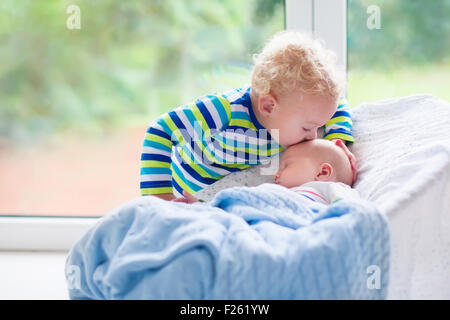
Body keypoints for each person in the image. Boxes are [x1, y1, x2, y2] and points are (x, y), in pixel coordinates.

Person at [140, 30, 357, 201]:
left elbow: (336, 104)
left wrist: (336, 143)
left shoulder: (298, 109)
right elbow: (159, 131)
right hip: (184, 189)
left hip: (217, 193)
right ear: (269, 107)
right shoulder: (224, 110)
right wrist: (160, 198)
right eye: (307, 128)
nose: (313, 136)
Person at [175, 138, 360, 205]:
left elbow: (354, 214)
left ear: (322, 173)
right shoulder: (273, 192)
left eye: (286, 166)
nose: (276, 174)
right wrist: (202, 207)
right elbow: (238, 205)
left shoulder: (329, 191)